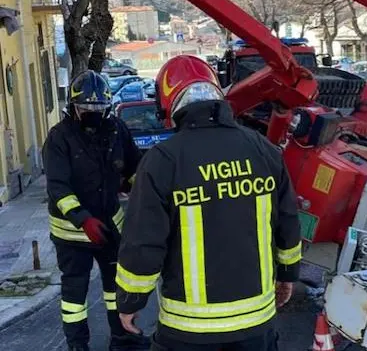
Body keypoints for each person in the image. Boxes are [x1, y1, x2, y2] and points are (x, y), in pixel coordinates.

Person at [114, 56, 302, 350]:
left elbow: (142, 241)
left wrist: (130, 301)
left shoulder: (163, 160)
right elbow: (289, 222)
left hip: (187, 331)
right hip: (256, 326)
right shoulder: (262, 149)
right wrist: (288, 276)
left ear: (168, 104)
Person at [43, 70, 150, 351]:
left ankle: (122, 338)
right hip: (72, 235)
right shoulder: (59, 138)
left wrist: (144, 195)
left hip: (110, 227)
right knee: (74, 296)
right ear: (73, 107)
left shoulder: (116, 130)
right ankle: (78, 345)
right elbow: (58, 188)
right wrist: (83, 220)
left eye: (98, 108)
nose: (92, 113)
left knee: (116, 289)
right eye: (86, 108)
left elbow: (133, 168)